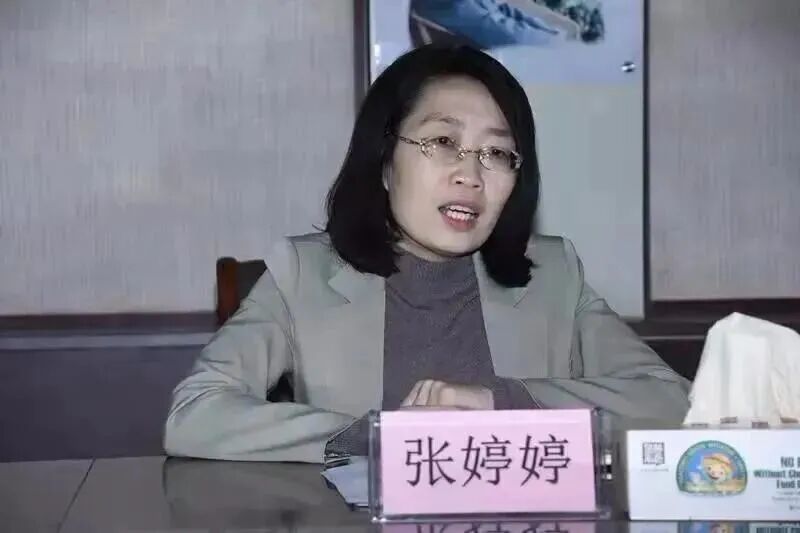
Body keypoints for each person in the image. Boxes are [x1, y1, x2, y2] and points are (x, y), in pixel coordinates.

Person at [164, 44, 689, 463]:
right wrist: (377, 438)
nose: (471, 174)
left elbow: (675, 401)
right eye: (442, 143)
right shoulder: (303, 274)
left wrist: (502, 404)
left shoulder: (555, 276)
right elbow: (196, 413)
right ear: (384, 162)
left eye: (497, 152)